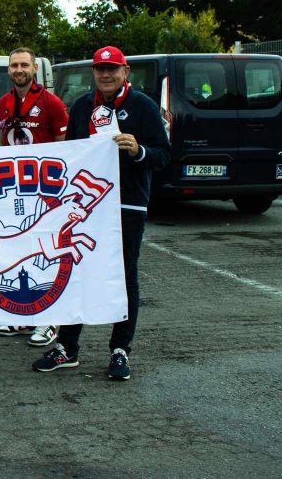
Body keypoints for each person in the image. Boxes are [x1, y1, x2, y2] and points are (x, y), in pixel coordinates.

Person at [32, 46, 170, 380]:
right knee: (74, 271)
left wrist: (139, 151)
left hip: (127, 204)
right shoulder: (82, 106)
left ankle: (120, 349)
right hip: (86, 208)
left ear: (126, 72)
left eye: (112, 69)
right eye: (100, 70)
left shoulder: (143, 106)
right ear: (94, 73)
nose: (105, 75)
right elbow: (72, 156)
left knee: (124, 276)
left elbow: (164, 154)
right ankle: (67, 346)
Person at [0, 47, 70, 348]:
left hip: (45, 189)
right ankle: (24, 315)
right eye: (14, 65)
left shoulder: (51, 102)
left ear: (34, 68)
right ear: (9, 69)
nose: (19, 69)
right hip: (15, 188)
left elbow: (65, 147)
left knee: (47, 254)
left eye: (24, 64)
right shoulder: (2, 103)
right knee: (21, 248)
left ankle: (52, 320)